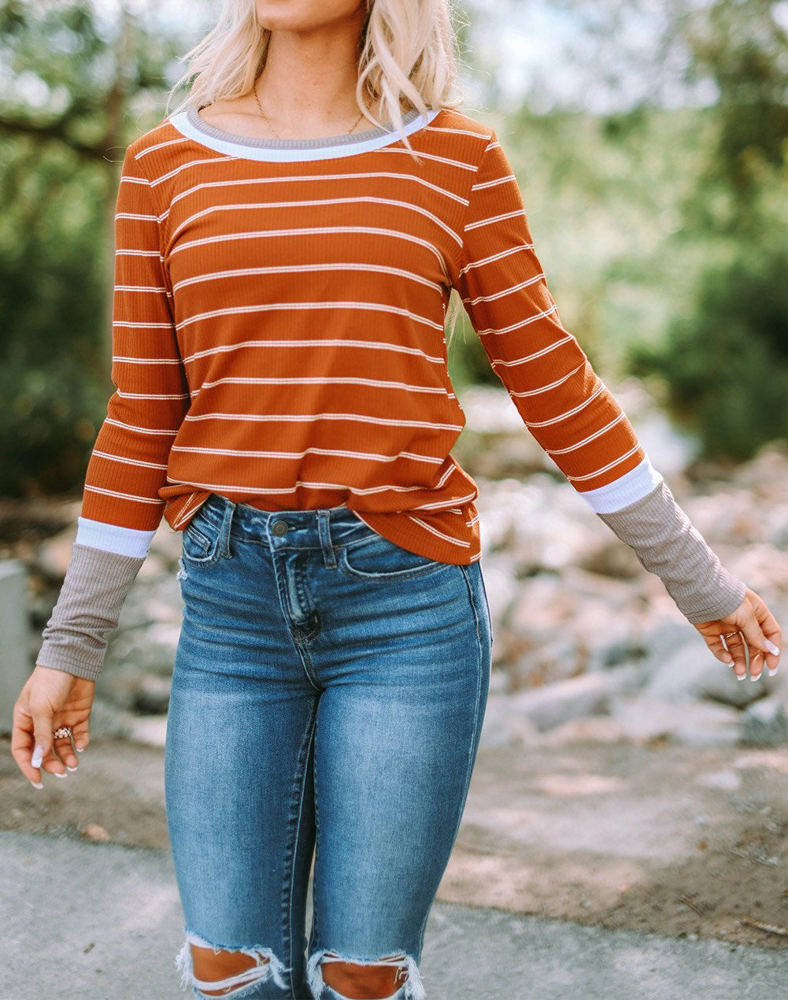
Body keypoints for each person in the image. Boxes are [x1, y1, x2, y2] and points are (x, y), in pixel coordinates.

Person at [11, 1, 782, 998]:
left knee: (361, 976)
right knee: (226, 968)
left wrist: (699, 581)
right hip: (229, 610)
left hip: (403, 608)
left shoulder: (454, 159)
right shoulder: (166, 166)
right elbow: (140, 420)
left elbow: (556, 389)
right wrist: (70, 648)